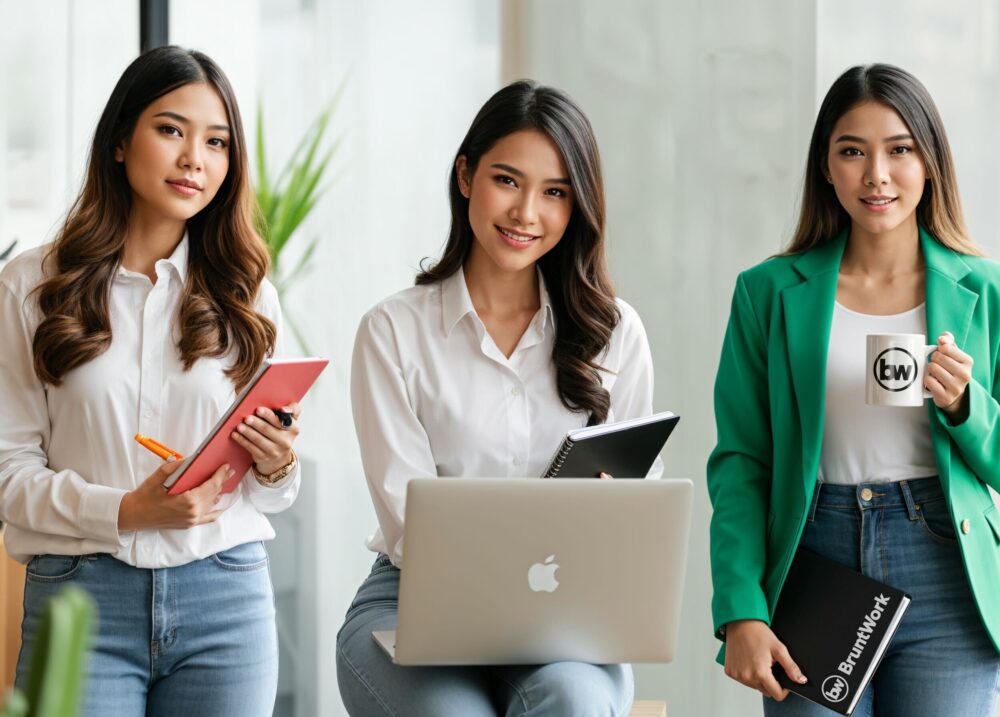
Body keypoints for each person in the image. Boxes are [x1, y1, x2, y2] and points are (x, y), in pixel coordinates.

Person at [707, 62, 1000, 716]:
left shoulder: (995, 293)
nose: (877, 174)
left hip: (947, 567)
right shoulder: (767, 293)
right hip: (813, 562)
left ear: (930, 161)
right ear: (826, 167)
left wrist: (968, 407)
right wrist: (739, 606)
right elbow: (742, 462)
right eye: (852, 151)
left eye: (900, 149)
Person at [335, 80, 658, 716]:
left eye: (555, 193)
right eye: (507, 181)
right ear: (465, 176)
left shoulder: (615, 332)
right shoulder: (393, 331)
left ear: (577, 207)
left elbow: (634, 507)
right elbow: (410, 520)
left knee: (575, 701)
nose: (526, 213)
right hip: (414, 599)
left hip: (565, 608)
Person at [0, 46, 303, 717]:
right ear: (118, 141)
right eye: (171, 130)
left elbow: (268, 493)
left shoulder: (250, 297)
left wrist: (278, 465)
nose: (196, 158)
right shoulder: (29, 287)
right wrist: (127, 511)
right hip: (81, 597)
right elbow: (7, 475)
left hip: (225, 599)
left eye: (217, 141)